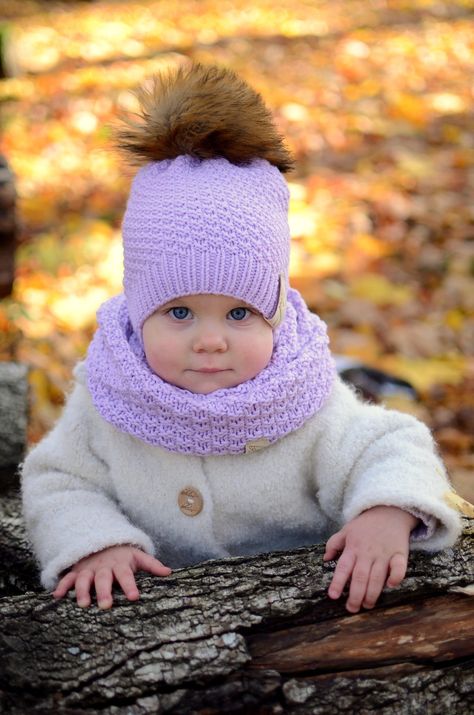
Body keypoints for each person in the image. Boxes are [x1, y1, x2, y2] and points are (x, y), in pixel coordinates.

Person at [21, 63, 461, 614]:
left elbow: (389, 444)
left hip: (304, 617)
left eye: (238, 314)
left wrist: (385, 510)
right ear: (137, 311)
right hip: (163, 631)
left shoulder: (300, 398)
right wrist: (94, 540)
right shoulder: (110, 394)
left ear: (274, 314)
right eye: (179, 311)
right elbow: (57, 478)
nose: (210, 341)